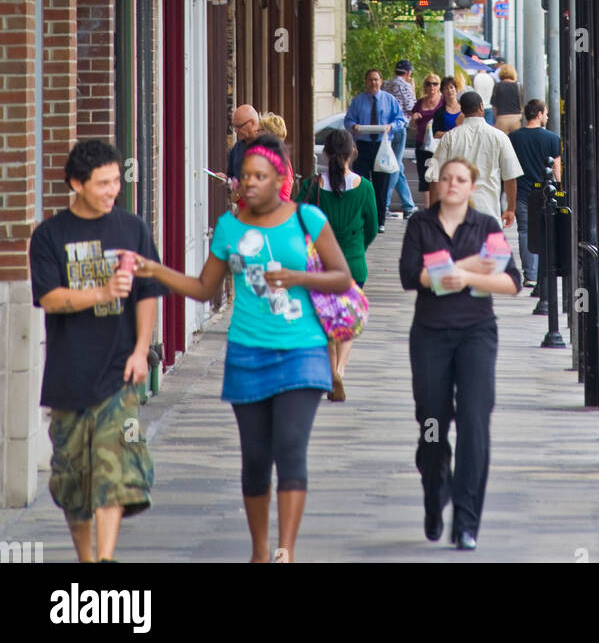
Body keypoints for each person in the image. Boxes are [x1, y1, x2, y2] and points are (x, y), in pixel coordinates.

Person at [134, 132, 352, 563]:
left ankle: (285, 549)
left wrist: (299, 279)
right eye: (243, 175)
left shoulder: (308, 219)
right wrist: (156, 269)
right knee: (255, 458)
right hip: (247, 353)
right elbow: (203, 287)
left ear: (279, 177)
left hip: (302, 351)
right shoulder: (231, 227)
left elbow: (342, 277)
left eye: (259, 175)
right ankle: (259, 551)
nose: (248, 183)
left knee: (290, 448)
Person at [28, 139, 167, 564]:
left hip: (118, 374)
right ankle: (87, 560)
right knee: (74, 483)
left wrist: (142, 350)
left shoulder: (132, 229)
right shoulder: (50, 236)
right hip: (68, 377)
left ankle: (105, 560)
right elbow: (50, 299)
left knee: (115, 473)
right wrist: (103, 291)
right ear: (76, 184)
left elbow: (147, 294)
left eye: (115, 182)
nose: (112, 190)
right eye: (103, 183)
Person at [399, 157, 521, 549]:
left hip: (476, 334)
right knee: (432, 424)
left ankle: (467, 521)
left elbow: (510, 281)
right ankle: (435, 490)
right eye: (447, 178)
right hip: (430, 336)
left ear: (472, 186)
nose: (453, 185)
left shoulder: (486, 226)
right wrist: (466, 266)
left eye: (461, 179)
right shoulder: (421, 224)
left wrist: (464, 276)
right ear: (438, 183)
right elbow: (410, 276)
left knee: (474, 422)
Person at [293, 128, 377, 403]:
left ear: (325, 153)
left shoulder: (312, 185)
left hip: (320, 265)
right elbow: (373, 228)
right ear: (352, 152)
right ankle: (340, 370)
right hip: (353, 263)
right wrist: (357, 250)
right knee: (347, 322)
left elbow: (296, 220)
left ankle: (331, 372)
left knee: (326, 322)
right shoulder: (365, 187)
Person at [426, 91, 522, 228]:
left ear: (462, 111)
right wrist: (511, 209)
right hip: (489, 214)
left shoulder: (450, 138)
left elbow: (434, 177)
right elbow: (510, 177)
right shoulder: (500, 137)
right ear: (482, 107)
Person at [344, 68, 407, 232]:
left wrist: (391, 127)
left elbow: (401, 120)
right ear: (366, 82)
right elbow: (348, 120)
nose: (373, 83)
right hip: (363, 147)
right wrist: (353, 126)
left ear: (381, 81)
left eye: (376, 79)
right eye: (370, 80)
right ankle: (362, 220)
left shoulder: (390, 100)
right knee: (362, 185)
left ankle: (380, 222)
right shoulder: (358, 101)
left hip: (382, 147)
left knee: (381, 186)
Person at [509, 100, 562, 288]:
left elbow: (508, 167)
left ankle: (530, 275)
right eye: (545, 113)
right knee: (546, 231)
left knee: (524, 231)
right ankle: (543, 274)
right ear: (539, 114)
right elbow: (556, 166)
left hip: (522, 192)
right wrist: (560, 188)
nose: (546, 116)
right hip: (545, 193)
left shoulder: (514, 138)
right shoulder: (552, 138)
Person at [382, 59, 418, 219]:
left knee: (398, 167)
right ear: (408, 73)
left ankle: (408, 205)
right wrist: (414, 90)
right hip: (398, 128)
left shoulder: (385, 85)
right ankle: (384, 204)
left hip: (385, 129)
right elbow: (412, 109)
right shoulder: (405, 86)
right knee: (394, 167)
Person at [409, 73, 443, 208]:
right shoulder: (419, 103)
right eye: (428, 83)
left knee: (438, 175)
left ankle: (439, 206)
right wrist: (414, 119)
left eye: (435, 83)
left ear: (439, 86)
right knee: (424, 176)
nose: (432, 86)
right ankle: (428, 207)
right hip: (422, 144)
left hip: (438, 144)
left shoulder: (443, 102)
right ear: (425, 86)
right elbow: (412, 127)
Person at [491, 64, 524, 135]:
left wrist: (497, 118)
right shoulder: (518, 86)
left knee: (502, 145)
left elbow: (494, 106)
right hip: (517, 119)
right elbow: (522, 105)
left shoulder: (497, 86)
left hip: (501, 119)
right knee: (516, 144)